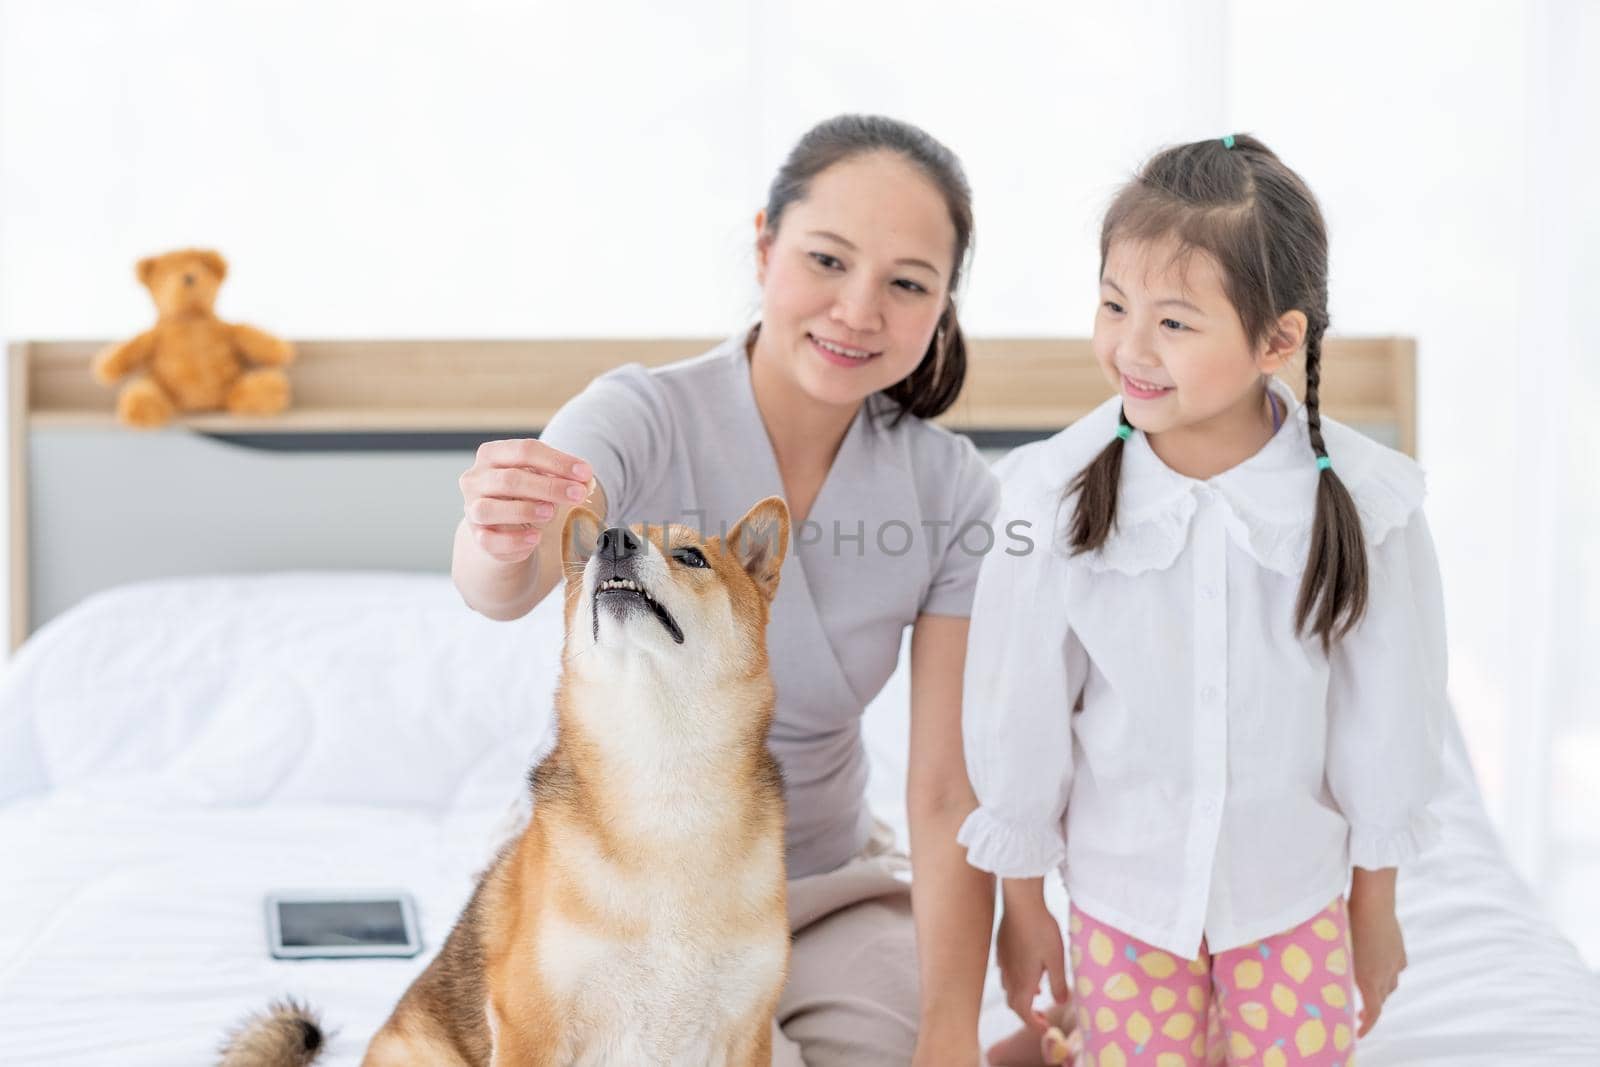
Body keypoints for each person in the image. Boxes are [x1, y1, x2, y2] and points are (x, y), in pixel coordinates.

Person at [453, 114, 1001, 1065]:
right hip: (619, 881)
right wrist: (498, 535)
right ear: (764, 245)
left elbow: (946, 790)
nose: (859, 310)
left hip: (821, 882)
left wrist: (952, 1033)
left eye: (907, 284)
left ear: (944, 304)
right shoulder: (641, 415)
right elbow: (511, 583)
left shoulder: (951, 491)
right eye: (827, 260)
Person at [961, 134, 1448, 1067]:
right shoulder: (1049, 497)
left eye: (1175, 323)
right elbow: (1020, 713)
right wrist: (1026, 909)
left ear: (1278, 339)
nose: (1130, 348)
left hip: (1291, 897)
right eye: (1113, 305)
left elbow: (1382, 718)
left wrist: (1371, 909)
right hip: (1124, 899)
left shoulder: (1364, 505)